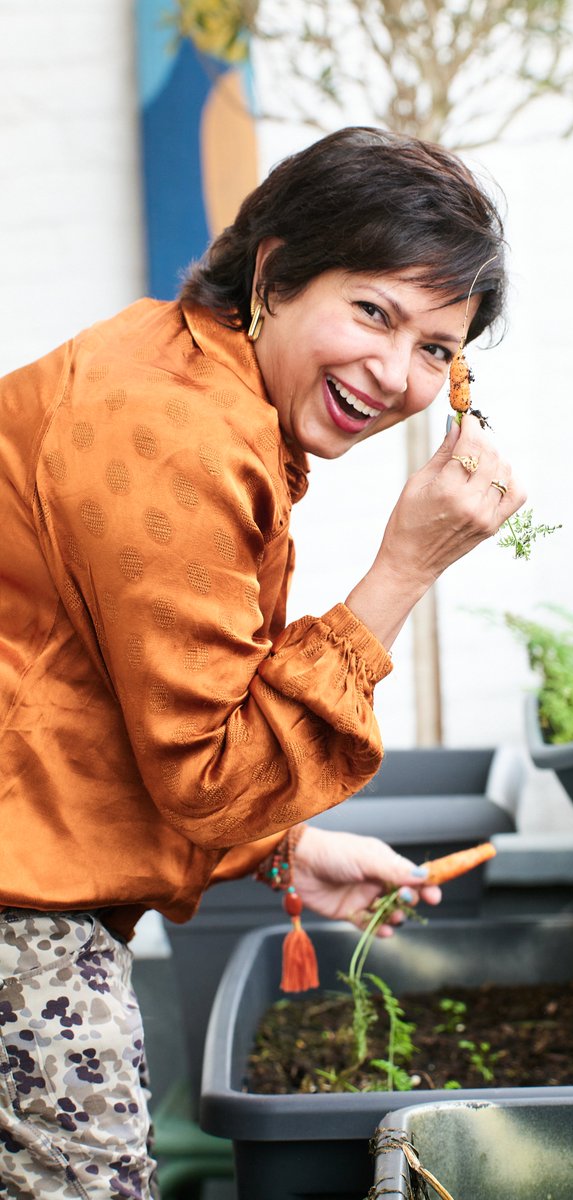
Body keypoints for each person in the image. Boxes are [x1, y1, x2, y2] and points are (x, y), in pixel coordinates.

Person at [0, 125, 524, 1197]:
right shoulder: (172, 438)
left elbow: (114, 702)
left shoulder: (179, 372)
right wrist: (402, 569)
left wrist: (284, 848)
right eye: (373, 311)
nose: (395, 374)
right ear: (277, 275)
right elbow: (205, 772)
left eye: (436, 348)